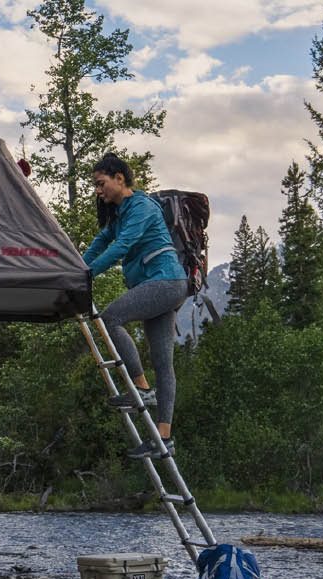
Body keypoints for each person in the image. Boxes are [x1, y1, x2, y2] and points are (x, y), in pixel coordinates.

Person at [83, 153, 187, 459]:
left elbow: (122, 247)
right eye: (95, 186)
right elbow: (101, 242)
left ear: (119, 178)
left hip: (166, 282)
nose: (98, 191)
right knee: (163, 361)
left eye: (101, 184)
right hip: (161, 286)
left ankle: (141, 387)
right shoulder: (119, 214)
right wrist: (76, 268)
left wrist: (85, 276)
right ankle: (164, 438)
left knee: (111, 317)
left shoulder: (140, 206)